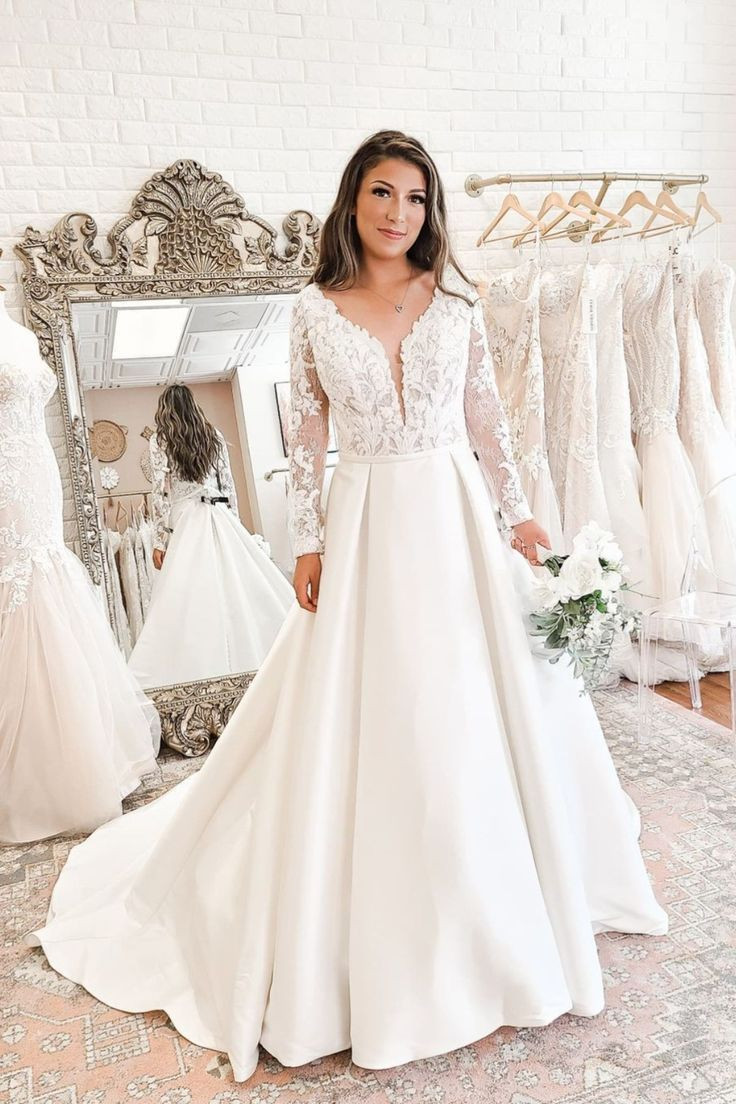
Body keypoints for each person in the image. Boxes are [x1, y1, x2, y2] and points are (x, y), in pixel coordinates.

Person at [29, 131, 667, 1081]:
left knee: (473, 703)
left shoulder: (456, 303)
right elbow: (310, 435)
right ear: (352, 201)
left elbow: (488, 425)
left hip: (453, 517)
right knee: (375, 706)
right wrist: (310, 541)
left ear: (429, 210)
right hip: (366, 521)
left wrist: (521, 518)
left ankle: (497, 893)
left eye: (415, 197)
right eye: (381, 192)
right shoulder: (313, 310)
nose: (398, 213)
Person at [0, 288, 159, 844]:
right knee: (24, 583)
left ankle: (84, 755)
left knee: (50, 578)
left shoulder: (21, 334)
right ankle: (39, 781)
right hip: (6, 478)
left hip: (37, 469)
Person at [127, 384, 293, 687]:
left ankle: (202, 663)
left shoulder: (160, 439)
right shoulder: (212, 434)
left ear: (165, 410)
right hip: (219, 515)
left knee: (190, 592)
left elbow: (160, 493)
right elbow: (228, 486)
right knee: (232, 584)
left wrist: (160, 540)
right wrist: (236, 525)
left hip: (186, 519)